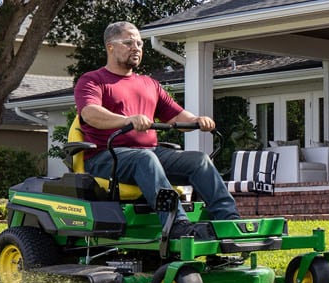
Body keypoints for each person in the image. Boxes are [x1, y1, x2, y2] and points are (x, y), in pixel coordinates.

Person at [73, 21, 239, 234]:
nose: (136, 48)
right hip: (106, 156)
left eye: (140, 44)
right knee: (146, 159)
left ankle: (230, 221)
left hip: (148, 154)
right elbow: (90, 113)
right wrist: (127, 120)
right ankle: (178, 225)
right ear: (110, 46)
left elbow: (176, 115)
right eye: (128, 42)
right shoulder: (92, 80)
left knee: (199, 160)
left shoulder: (149, 84)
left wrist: (197, 120)